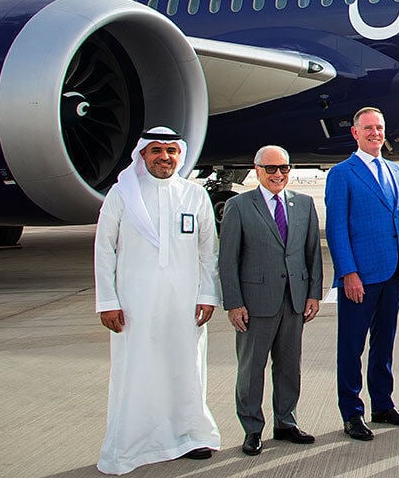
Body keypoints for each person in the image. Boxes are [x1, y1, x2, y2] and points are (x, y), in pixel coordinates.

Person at [93, 127, 221, 474]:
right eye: (156, 151)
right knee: (136, 371)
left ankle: (190, 436)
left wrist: (207, 295)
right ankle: (132, 445)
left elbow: (208, 252)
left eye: (171, 151)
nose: (165, 157)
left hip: (184, 303)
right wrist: (108, 301)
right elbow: (104, 250)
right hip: (135, 303)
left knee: (186, 368)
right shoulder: (122, 195)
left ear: (180, 155)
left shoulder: (194, 195)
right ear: (142, 155)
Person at [219, 145, 324, 456]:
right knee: (251, 369)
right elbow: (228, 260)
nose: (278, 174)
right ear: (257, 169)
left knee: (289, 367)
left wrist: (313, 294)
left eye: (284, 168)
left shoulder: (304, 204)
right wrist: (233, 302)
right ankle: (252, 429)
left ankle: (286, 422)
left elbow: (312, 254)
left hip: (294, 301)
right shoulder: (239, 206)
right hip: (255, 303)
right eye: (271, 169)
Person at [325, 107, 399, 441]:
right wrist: (347, 272)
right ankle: (352, 413)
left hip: (392, 271)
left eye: (379, 128)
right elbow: (336, 228)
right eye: (368, 128)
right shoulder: (342, 173)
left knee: (384, 344)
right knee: (351, 346)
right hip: (360, 276)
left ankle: (382, 404)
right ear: (355, 133)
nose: (375, 133)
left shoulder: (395, 171)